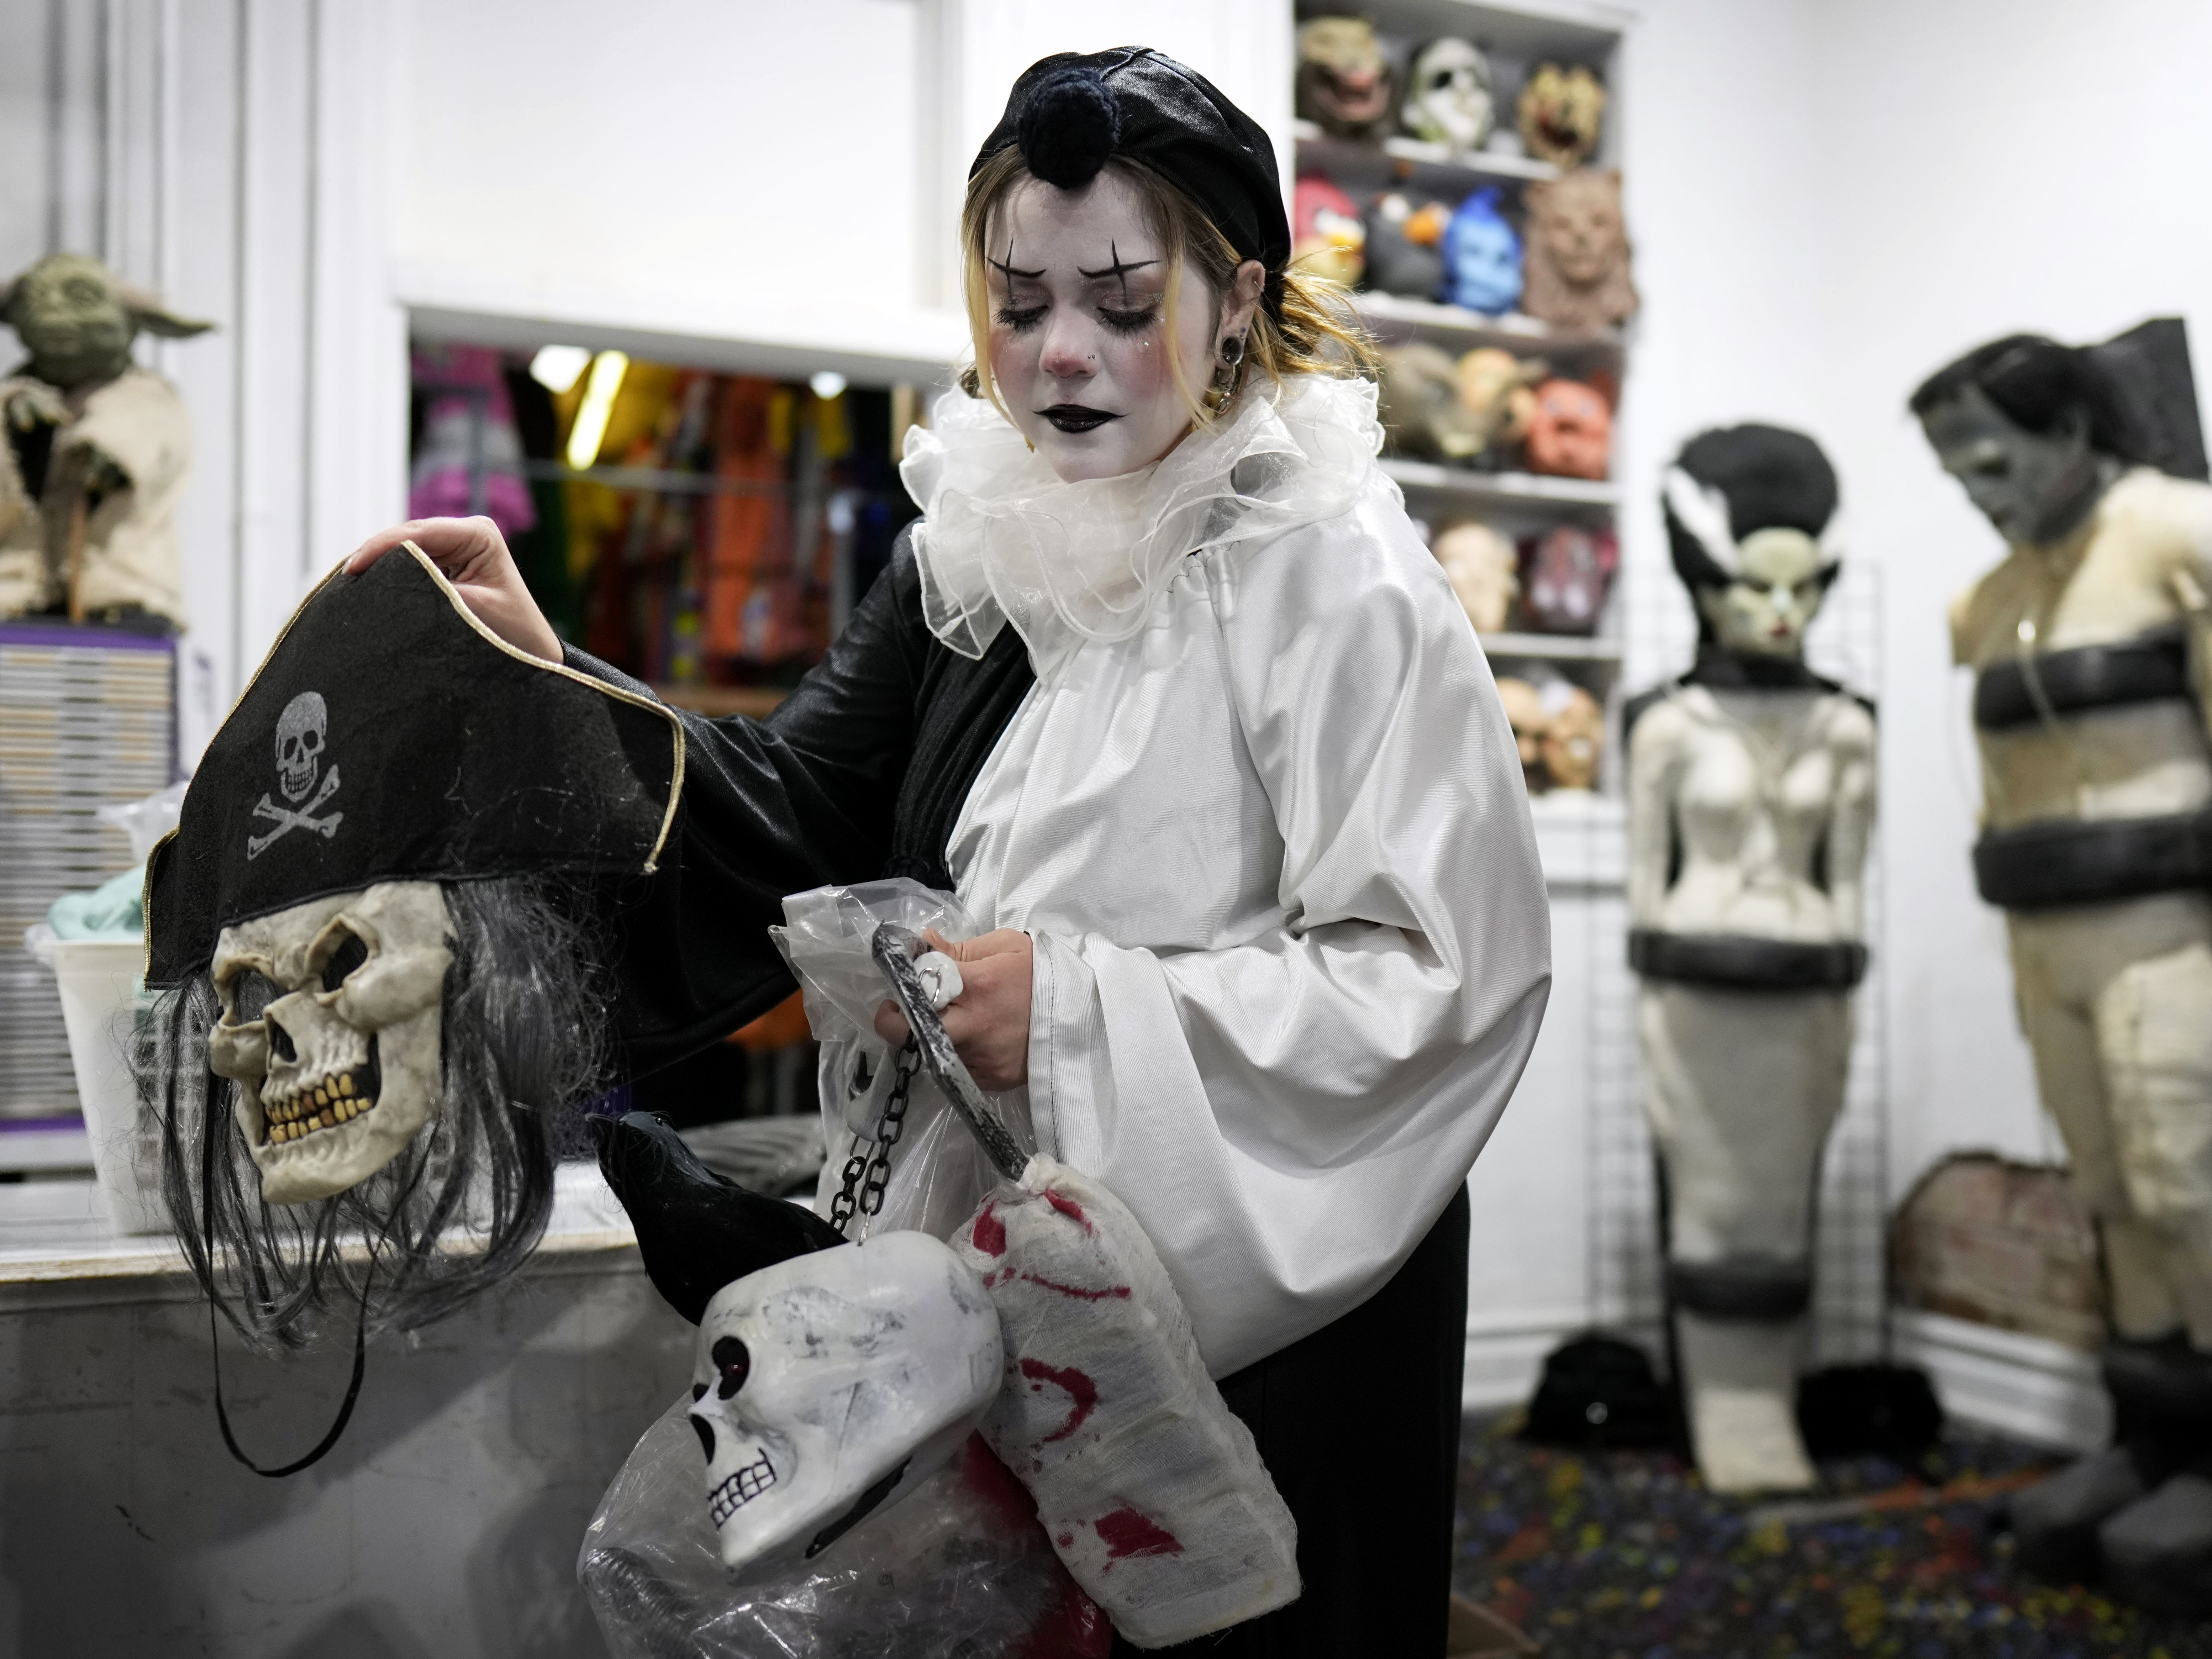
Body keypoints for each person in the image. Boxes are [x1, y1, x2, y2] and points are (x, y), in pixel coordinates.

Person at [350, 47, 1549, 1654]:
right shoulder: (984, 543)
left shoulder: (1330, 571)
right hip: (997, 1254)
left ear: (1239, 294)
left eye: (1124, 302)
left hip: (1276, 1293)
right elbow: (788, 805)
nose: (1061, 355)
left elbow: (1436, 975)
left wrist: (1070, 1006)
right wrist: (545, 688)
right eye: (1018, 297)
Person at [1915, 331, 2212, 1613]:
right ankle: (2154, 1443)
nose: (1977, 488)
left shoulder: (2176, 535)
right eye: (1954, 470)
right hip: (2053, 944)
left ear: (2072, 433)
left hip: (2175, 938)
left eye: (1992, 458)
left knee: (2191, 1187)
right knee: (2110, 1196)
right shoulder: (1988, 599)